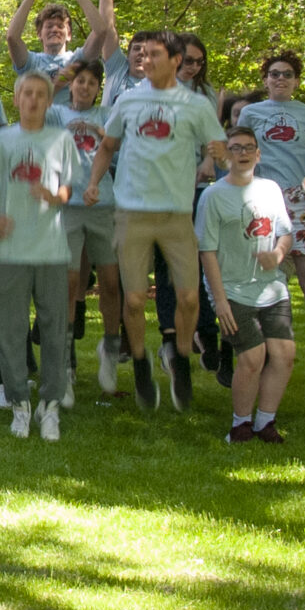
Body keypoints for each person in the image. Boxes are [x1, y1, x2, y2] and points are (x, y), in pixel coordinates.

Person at [85, 29, 225, 412]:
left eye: (154, 54)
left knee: (189, 297)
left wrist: (221, 157)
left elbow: (217, 146)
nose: (145, 60)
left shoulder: (196, 105)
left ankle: (180, 357)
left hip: (177, 215)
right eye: (142, 54)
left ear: (175, 60)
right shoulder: (129, 100)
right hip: (132, 214)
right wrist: (94, 182)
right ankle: (141, 364)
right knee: (133, 299)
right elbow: (108, 146)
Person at [0, 71, 80, 439]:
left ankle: (50, 406)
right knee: (10, 332)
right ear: (17, 97)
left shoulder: (61, 139)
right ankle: (19, 405)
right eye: (27, 93)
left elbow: (68, 188)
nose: (34, 99)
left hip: (51, 251)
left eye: (41, 94)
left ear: (50, 100)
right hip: (8, 252)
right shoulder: (0, 140)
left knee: (54, 329)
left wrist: (55, 197)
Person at [237, 52, 305, 384]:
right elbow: (240, 154)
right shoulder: (251, 113)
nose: (281, 79)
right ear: (265, 79)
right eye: (275, 74)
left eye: (287, 74)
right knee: (265, 281)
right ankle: (262, 354)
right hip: (263, 200)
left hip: (301, 202)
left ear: (296, 80)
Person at [199, 126, 295, 441]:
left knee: (284, 354)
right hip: (232, 290)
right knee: (253, 357)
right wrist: (220, 300)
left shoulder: (271, 189)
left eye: (248, 147)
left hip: (272, 288)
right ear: (226, 155)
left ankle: (265, 423)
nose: (242, 153)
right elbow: (207, 251)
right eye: (235, 148)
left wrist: (277, 255)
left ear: (258, 154)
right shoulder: (213, 196)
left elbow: (285, 234)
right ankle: (240, 425)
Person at [51, 58, 125, 395]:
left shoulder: (107, 114)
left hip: (102, 205)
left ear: (98, 88)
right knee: (68, 283)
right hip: (67, 208)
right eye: (79, 81)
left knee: (110, 281)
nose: (84, 87)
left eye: (92, 83)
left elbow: (117, 147)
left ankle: (110, 349)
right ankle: (65, 361)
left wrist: (100, 133)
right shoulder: (56, 113)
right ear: (71, 84)